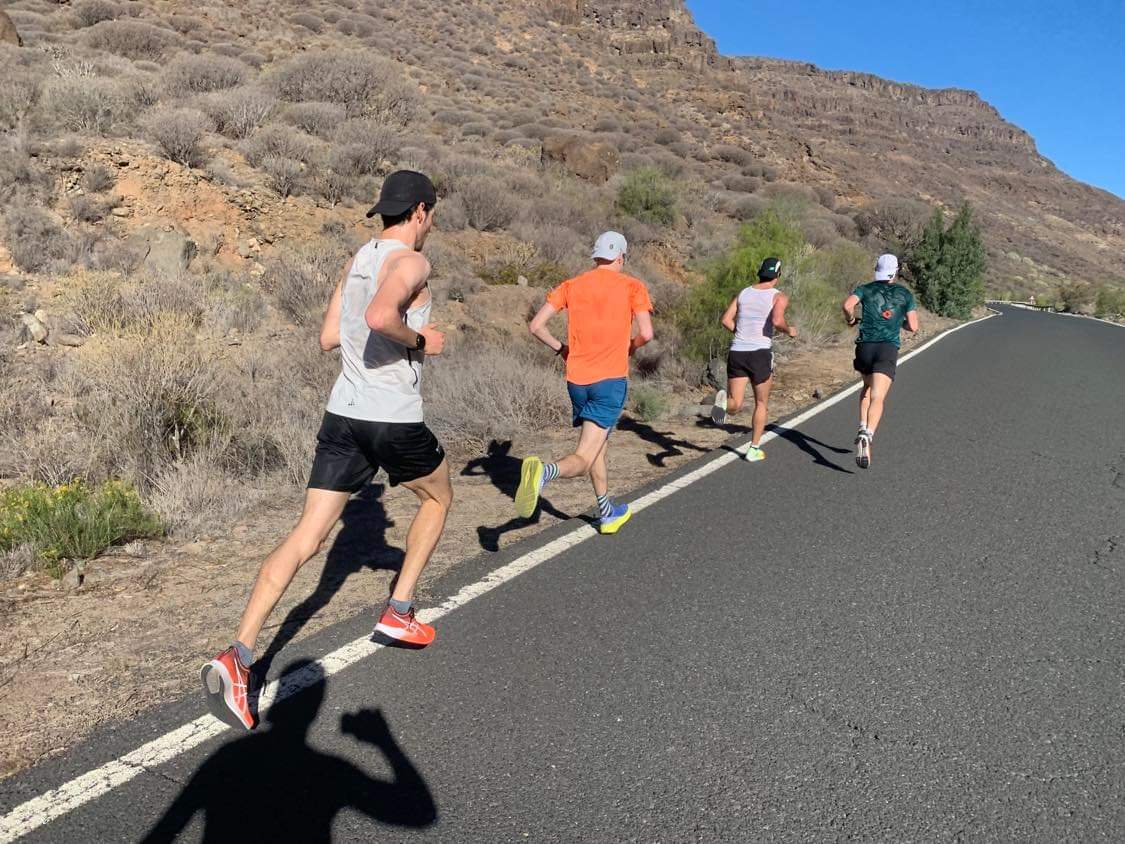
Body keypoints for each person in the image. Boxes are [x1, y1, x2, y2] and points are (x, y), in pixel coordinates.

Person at [201, 171, 453, 731]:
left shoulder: (359, 258)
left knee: (307, 537)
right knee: (439, 499)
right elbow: (379, 318)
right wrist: (422, 342)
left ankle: (238, 657)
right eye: (430, 214)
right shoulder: (411, 264)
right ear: (419, 212)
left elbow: (328, 337)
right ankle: (400, 611)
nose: (430, 222)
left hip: (343, 415)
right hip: (391, 417)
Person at [516, 231, 654, 534]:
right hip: (610, 381)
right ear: (620, 257)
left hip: (577, 380)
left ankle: (606, 511)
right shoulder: (633, 287)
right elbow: (647, 333)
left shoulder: (572, 285)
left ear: (596, 256)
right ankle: (544, 472)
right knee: (583, 456)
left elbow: (536, 326)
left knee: (598, 445)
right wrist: (629, 347)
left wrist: (561, 349)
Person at [711, 257, 797, 461]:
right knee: (761, 403)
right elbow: (777, 320)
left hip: (737, 351)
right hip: (759, 352)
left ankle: (723, 404)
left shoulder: (744, 292)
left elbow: (725, 320)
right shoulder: (779, 296)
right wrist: (789, 330)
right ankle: (753, 449)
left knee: (736, 403)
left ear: (760, 273)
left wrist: (741, 333)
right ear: (778, 275)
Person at [842, 253, 919, 468]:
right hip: (887, 348)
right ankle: (868, 435)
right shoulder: (905, 294)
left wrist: (851, 320)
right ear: (895, 272)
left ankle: (861, 425)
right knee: (878, 396)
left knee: (866, 388)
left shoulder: (865, 289)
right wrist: (899, 324)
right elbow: (913, 326)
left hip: (865, 347)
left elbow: (848, 305)